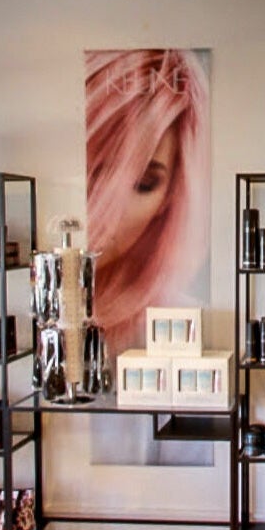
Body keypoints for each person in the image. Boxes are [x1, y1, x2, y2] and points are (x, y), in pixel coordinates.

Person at [84, 49, 211, 357]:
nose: (109, 209)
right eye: (96, 168)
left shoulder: (179, 316)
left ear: (169, 199)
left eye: (143, 183)